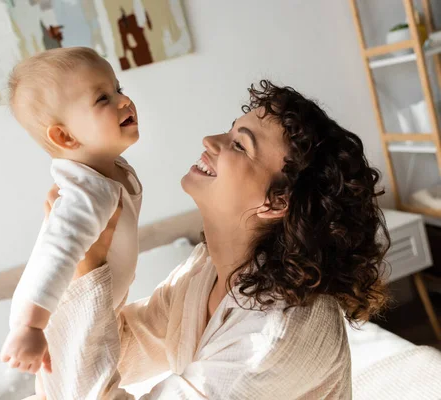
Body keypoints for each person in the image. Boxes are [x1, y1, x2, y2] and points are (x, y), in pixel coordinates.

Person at [34, 80, 390, 399]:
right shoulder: (205, 274)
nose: (211, 141)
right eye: (230, 131)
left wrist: (89, 268)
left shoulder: (272, 334)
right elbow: (119, 349)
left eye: (239, 145)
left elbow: (81, 373)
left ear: (277, 201)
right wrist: (90, 257)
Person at [0, 47, 143, 398]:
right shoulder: (84, 194)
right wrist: (31, 326)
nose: (124, 100)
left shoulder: (112, 170)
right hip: (61, 312)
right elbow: (55, 255)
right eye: (103, 98)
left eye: (118, 88)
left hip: (97, 307)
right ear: (65, 137)